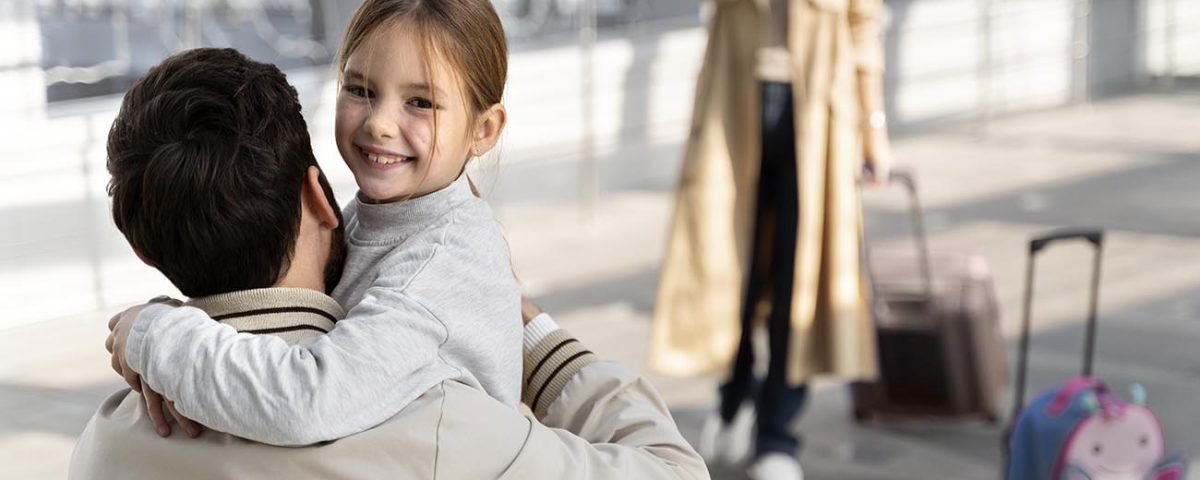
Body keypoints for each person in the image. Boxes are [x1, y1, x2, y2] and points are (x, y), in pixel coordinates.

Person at [72, 46, 708, 479]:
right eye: (361, 90)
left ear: (142, 249)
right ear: (320, 198)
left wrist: (159, 328)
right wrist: (535, 340)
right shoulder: (439, 425)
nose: (380, 127)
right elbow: (674, 470)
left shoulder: (106, 445)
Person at [104, 0, 530, 446]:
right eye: (360, 89)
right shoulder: (375, 223)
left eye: (420, 103)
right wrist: (184, 324)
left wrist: (158, 337)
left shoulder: (440, 267)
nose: (380, 123)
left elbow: (307, 401)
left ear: (484, 130)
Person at [649, 0, 893, 479]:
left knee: (795, 280)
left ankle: (777, 433)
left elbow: (863, 26)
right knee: (728, 274)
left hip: (821, 115)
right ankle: (735, 395)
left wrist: (874, 130)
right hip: (733, 101)